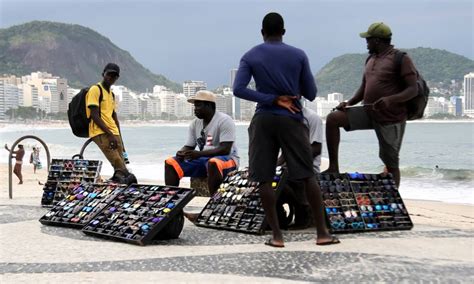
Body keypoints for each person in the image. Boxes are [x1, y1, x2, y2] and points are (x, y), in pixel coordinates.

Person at [233, 12, 338, 247]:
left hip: (263, 119)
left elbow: (238, 89)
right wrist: (290, 88)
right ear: (284, 31)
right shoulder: (298, 55)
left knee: (264, 179)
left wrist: (270, 98)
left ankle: (277, 236)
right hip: (292, 119)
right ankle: (322, 233)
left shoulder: (250, 56)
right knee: (307, 175)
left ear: (262, 32)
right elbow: (311, 93)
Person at [324, 22, 417, 188]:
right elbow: (364, 86)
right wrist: (349, 102)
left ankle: (393, 197)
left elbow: (413, 90)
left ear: (377, 41)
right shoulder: (371, 58)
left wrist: (390, 100)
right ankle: (333, 167)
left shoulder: (401, 58)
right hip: (369, 112)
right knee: (333, 119)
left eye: (368, 40)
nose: (366, 43)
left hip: (390, 117)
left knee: (391, 162)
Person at [165, 90, 239, 200]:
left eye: (198, 106)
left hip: (228, 160)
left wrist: (199, 154)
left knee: (213, 162)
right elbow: (189, 146)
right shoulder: (195, 123)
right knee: (171, 162)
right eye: (194, 106)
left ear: (209, 105)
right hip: (203, 160)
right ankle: (171, 202)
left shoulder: (224, 120)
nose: (195, 110)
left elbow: (225, 149)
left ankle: (214, 202)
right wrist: (182, 152)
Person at [277, 106, 323, 229]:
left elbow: (316, 149)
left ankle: (303, 208)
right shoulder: (282, 118)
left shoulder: (312, 118)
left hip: (309, 166)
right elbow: (284, 154)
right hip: (290, 166)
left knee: (292, 177)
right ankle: (279, 215)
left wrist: (293, 161)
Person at [86, 63, 129, 177]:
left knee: (123, 165)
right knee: (118, 163)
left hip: (113, 132)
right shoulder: (96, 90)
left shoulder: (112, 94)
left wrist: (120, 138)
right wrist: (109, 134)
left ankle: (120, 187)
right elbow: (94, 115)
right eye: (109, 74)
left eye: (114, 76)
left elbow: (113, 116)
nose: (111, 77)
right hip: (100, 132)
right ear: (103, 74)